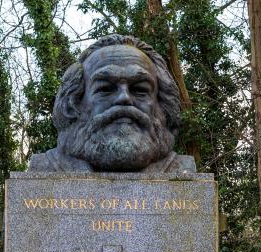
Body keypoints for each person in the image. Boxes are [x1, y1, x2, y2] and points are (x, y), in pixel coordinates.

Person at [28, 34, 196, 173]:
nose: (124, 98)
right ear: (73, 103)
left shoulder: (181, 171)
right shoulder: (46, 168)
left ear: (162, 105)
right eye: (105, 88)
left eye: (140, 89)